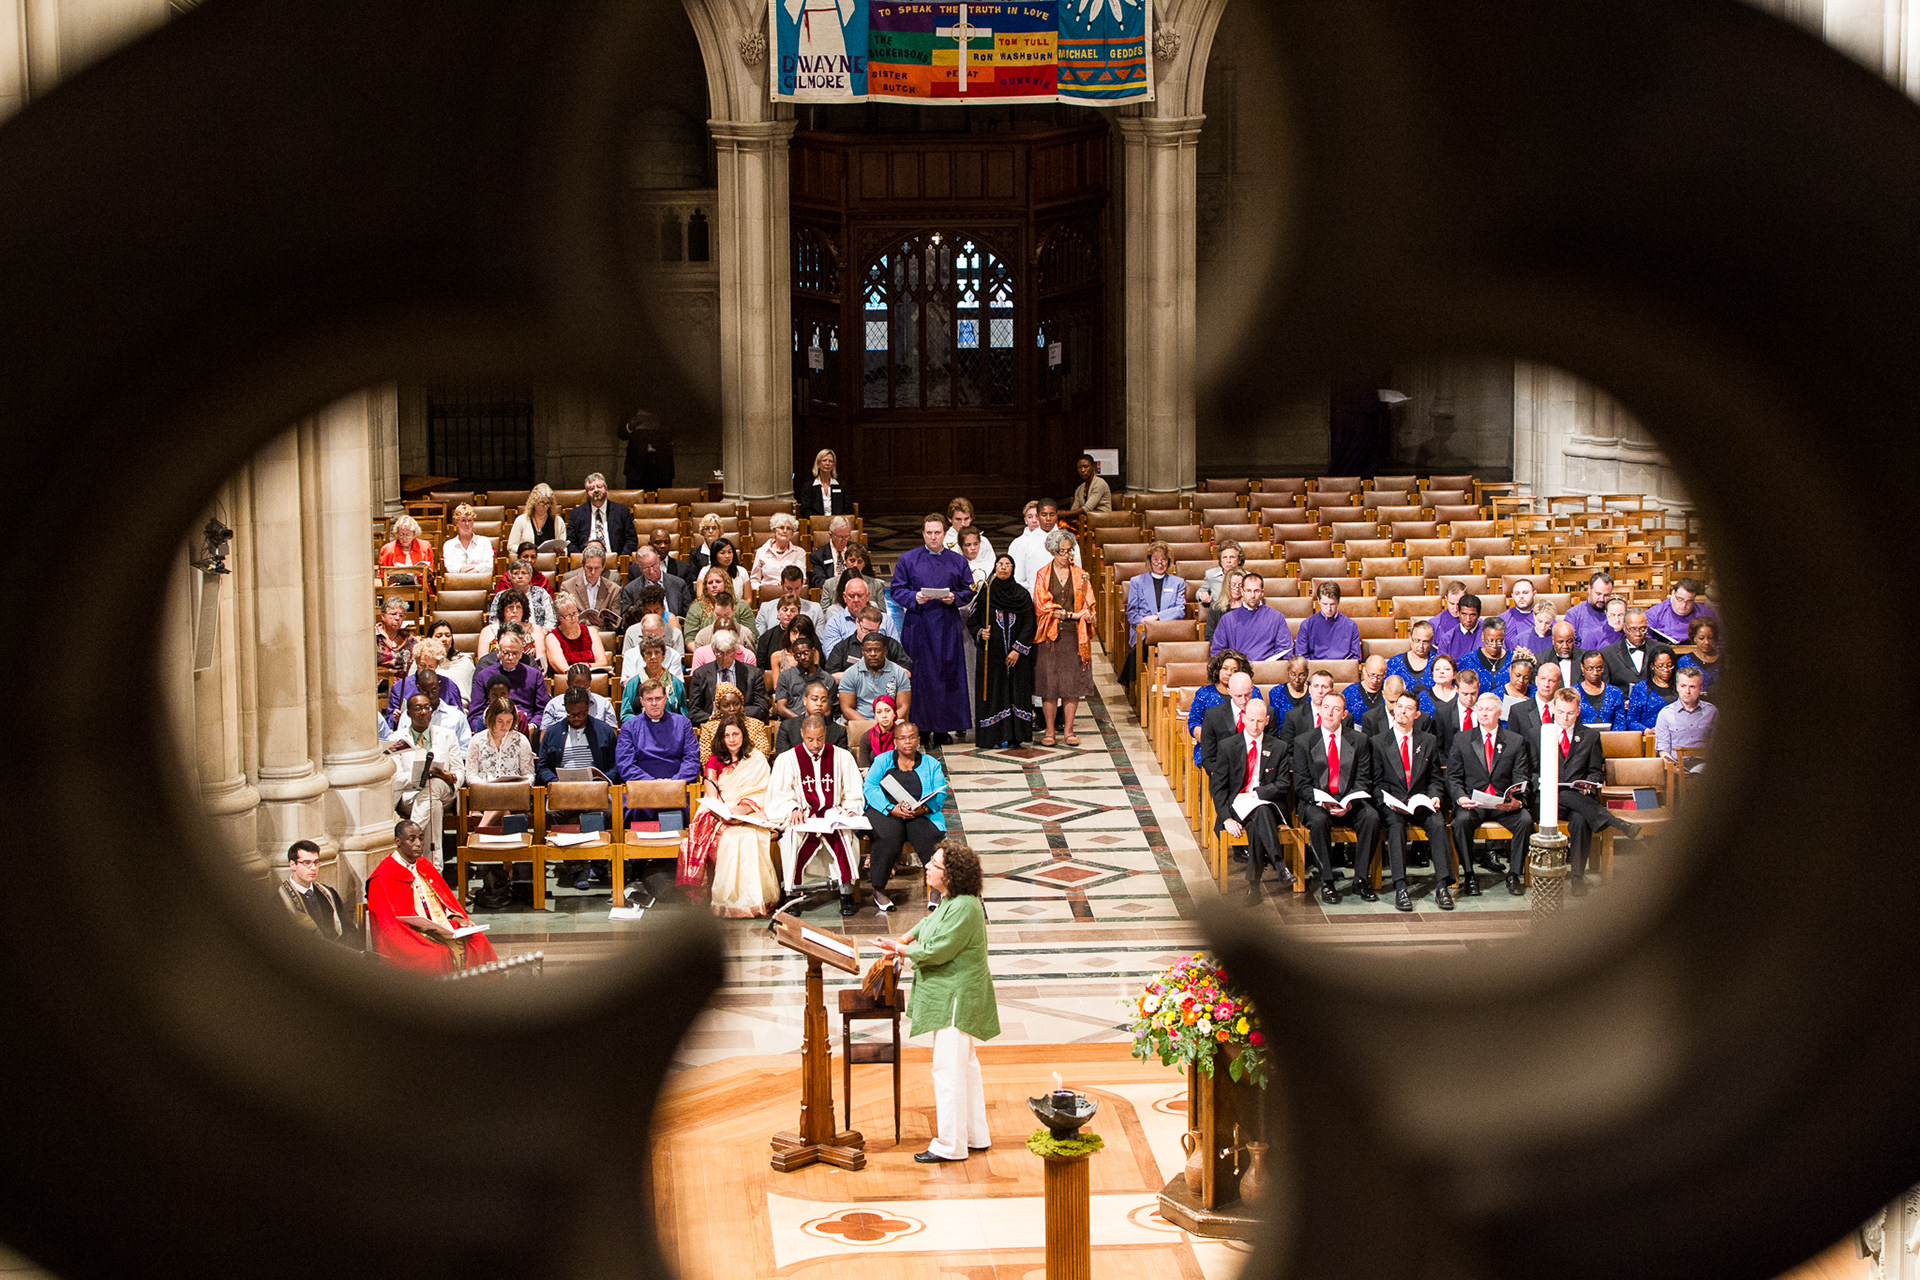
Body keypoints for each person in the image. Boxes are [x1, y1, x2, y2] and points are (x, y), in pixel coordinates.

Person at [871, 839, 997, 1163]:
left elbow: (935, 951)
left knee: (948, 1070)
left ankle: (950, 1145)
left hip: (956, 997)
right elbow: (929, 923)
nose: (927, 866)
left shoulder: (966, 907)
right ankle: (975, 1135)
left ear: (951, 874)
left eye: (935, 865)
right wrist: (904, 938)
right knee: (965, 1067)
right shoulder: (954, 901)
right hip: (957, 994)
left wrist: (899, 949)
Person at [766, 715, 868, 916]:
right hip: (803, 816)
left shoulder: (841, 757)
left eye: (820, 739)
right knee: (792, 839)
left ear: (825, 734)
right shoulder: (787, 759)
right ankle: (792, 894)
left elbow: (853, 792)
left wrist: (849, 810)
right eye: (810, 739)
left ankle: (845, 892)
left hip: (833, 813)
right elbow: (779, 795)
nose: (815, 745)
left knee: (846, 837)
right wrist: (792, 809)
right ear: (802, 734)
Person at [889, 512, 977, 741]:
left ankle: (943, 728)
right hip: (918, 626)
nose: (933, 537)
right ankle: (921, 726)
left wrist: (954, 598)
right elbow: (897, 589)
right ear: (923, 533)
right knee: (920, 677)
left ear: (945, 534)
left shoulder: (957, 561)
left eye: (937, 533)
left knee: (946, 675)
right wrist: (914, 597)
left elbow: (968, 590)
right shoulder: (908, 559)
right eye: (929, 533)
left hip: (947, 627)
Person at [368, 820, 499, 973]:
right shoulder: (384, 875)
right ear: (398, 841)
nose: (418, 843)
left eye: (421, 838)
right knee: (437, 955)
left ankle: (482, 989)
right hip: (409, 933)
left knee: (477, 939)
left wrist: (456, 918)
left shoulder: (424, 866)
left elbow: (444, 901)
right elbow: (387, 924)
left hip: (438, 926)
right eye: (412, 839)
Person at [680, 715, 779, 916]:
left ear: (744, 735)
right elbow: (711, 795)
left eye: (736, 734)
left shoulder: (756, 759)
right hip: (720, 815)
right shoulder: (714, 760)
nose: (732, 739)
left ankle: (754, 901)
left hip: (751, 812)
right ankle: (727, 902)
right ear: (721, 738)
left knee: (749, 838)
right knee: (731, 840)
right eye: (727, 735)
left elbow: (766, 790)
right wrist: (725, 814)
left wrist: (744, 809)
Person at [1546, 688, 1642, 894]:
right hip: (1547, 801)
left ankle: (1577, 877)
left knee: (1580, 819)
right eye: (1561, 712)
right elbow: (1532, 769)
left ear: (1578, 711)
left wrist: (1588, 783)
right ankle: (1614, 821)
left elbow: (1595, 772)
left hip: (1580, 801)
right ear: (1553, 708)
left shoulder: (1590, 737)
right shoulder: (1540, 734)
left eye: (1570, 713)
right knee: (1560, 792)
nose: (1565, 717)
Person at [1371, 689, 1456, 912]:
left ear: (1416, 715)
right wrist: (1388, 801)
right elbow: (1376, 782)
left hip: (1420, 801)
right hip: (1393, 804)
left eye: (1409, 709)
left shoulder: (1428, 741)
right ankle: (1400, 887)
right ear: (1394, 709)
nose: (1403, 712)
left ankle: (1442, 886)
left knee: (1438, 824)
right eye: (1400, 706)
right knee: (1396, 827)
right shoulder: (1379, 742)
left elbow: (1435, 778)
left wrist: (1435, 796)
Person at [1293, 691, 1381, 905]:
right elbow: (1302, 784)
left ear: (1344, 714)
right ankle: (1327, 881)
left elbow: (1363, 779)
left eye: (1336, 709)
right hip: (1317, 803)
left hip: (1349, 801)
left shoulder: (1359, 740)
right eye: (1326, 708)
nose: (1330, 713)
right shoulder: (1304, 741)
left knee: (1372, 818)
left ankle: (1360, 878)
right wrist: (1322, 801)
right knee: (1319, 820)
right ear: (1320, 710)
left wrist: (1349, 803)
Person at [1209, 699, 1295, 904]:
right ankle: (1279, 864)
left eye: (1259, 721)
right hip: (1237, 805)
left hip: (1267, 804)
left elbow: (1283, 783)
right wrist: (1226, 818)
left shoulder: (1279, 747)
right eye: (1250, 720)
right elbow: (1218, 787)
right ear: (1244, 719)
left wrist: (1256, 794)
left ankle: (1254, 887)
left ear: (1266, 721)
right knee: (1260, 817)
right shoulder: (1228, 746)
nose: (1254, 726)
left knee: (1260, 818)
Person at [1447, 693, 1534, 896]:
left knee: (1525, 821)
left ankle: (1514, 874)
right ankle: (1469, 875)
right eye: (1481, 709)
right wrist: (1460, 797)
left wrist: (1517, 801)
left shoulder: (1515, 741)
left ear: (1500, 713)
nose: (1483, 713)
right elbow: (1452, 777)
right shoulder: (1462, 739)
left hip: (1503, 805)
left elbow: (1521, 775)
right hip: (1473, 804)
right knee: (1460, 823)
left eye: (1489, 709)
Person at [863, 723, 950, 915]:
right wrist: (890, 808)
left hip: (919, 812)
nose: (907, 742)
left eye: (911, 737)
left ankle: (936, 889)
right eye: (902, 738)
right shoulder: (883, 760)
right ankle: (878, 890)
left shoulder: (931, 764)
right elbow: (869, 786)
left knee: (930, 837)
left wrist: (922, 809)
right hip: (885, 810)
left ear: (918, 740)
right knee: (888, 836)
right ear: (895, 741)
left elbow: (940, 792)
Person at [1031, 528, 1096, 748]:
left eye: (1069, 551)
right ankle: (1049, 731)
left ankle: (1068, 730)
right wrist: (1069, 614)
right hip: (1049, 635)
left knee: (1071, 685)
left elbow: (1089, 601)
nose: (1066, 555)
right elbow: (1041, 605)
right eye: (1061, 551)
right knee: (1050, 684)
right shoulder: (1043, 574)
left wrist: (1089, 613)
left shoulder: (1080, 573)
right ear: (1052, 551)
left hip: (1073, 635)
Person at [614, 678, 702, 835]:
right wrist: (653, 784)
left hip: (676, 787)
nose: (654, 703)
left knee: (687, 807)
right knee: (635, 809)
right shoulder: (629, 727)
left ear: (665, 698)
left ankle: (675, 855)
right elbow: (625, 765)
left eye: (658, 698)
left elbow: (692, 760)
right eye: (649, 699)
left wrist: (673, 783)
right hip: (642, 789)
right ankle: (640, 855)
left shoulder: (683, 723)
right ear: (642, 701)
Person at [969, 554, 1037, 752]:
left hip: (1017, 658)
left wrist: (1018, 649)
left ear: (1013, 568)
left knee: (1017, 691)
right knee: (993, 691)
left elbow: (1029, 623)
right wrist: (982, 632)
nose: (1003, 568)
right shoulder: (986, 593)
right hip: (993, 656)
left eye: (1008, 565)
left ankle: (1016, 735)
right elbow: (973, 622)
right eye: (1000, 564)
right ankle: (994, 734)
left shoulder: (1021, 595)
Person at [387, 690, 465, 858]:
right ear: (408, 713)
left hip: (445, 791)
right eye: (418, 708)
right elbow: (396, 777)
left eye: (427, 708)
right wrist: (420, 777)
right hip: (411, 795)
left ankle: (409, 834)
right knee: (432, 803)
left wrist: (447, 776)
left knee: (434, 786)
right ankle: (435, 868)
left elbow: (460, 771)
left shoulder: (447, 736)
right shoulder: (397, 739)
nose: (423, 712)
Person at [1122, 541, 1187, 686]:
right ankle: (1144, 687)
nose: (1160, 564)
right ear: (1149, 561)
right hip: (1144, 631)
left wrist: (1157, 617)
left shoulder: (1178, 582)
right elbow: (1132, 613)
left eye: (1163, 560)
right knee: (1144, 647)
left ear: (1169, 562)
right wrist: (1146, 621)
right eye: (1156, 560)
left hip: (1169, 631)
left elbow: (1179, 610)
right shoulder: (1137, 582)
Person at [277, 840, 355, 946]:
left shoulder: (329, 894)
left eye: (316, 862)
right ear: (293, 865)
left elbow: (349, 930)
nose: (313, 868)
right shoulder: (280, 902)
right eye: (307, 863)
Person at [686, 630, 771, 724]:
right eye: (720, 653)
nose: (725, 657)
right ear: (714, 652)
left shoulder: (753, 673)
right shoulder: (700, 674)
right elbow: (694, 711)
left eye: (728, 652)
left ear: (735, 650)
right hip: (712, 726)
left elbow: (762, 707)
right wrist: (716, 719)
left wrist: (735, 714)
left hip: (744, 724)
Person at [467, 634, 545, 735]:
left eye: (515, 653)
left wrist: (533, 725)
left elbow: (542, 709)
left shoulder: (534, 675)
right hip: (491, 726)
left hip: (525, 725)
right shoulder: (484, 675)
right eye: (506, 653)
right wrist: (484, 728)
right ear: (498, 652)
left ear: (521, 653)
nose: (510, 657)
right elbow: (475, 713)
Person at [1190, 651, 1257, 766]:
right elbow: (1194, 723)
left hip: (1247, 747)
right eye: (1225, 668)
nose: (1229, 673)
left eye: (1234, 670)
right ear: (1218, 669)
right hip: (1213, 749)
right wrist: (1210, 742)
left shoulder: (1252, 692)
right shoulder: (1204, 693)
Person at [1209, 573, 1294, 660]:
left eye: (1256, 591)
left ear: (1262, 592)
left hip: (1269, 669)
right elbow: (1218, 651)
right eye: (1249, 591)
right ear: (1242, 592)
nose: (1252, 595)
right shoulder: (1227, 619)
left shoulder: (1277, 617)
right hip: (1238, 670)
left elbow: (1285, 649)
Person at [841, 633, 913, 725]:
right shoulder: (850, 674)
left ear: (884, 650)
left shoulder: (899, 673)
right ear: (862, 651)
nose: (872, 654)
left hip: (891, 723)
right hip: (861, 724)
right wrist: (870, 727)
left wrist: (888, 724)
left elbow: (903, 706)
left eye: (877, 650)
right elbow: (847, 708)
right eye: (868, 650)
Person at [820, 576, 897, 657]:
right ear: (844, 597)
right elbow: (832, 657)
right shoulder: (834, 624)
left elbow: (896, 652)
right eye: (851, 595)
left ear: (868, 596)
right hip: (846, 669)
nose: (856, 600)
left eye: (860, 595)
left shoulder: (886, 620)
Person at [824, 602, 910, 674]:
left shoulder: (891, 644)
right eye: (865, 629)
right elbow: (831, 676)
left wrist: (882, 674)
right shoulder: (842, 647)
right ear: (857, 622)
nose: (868, 635)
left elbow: (907, 671)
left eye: (873, 631)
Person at [1600, 607, 1673, 691]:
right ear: (1624, 628)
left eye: (1642, 629)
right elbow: (1606, 689)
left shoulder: (1663, 650)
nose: (1638, 634)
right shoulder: (1608, 654)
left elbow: (1671, 683)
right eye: (1632, 629)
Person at [566, 472, 638, 557]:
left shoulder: (621, 511)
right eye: (591, 488)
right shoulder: (576, 513)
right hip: (586, 562)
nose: (596, 490)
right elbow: (570, 542)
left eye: (599, 487)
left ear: (606, 488)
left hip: (615, 560)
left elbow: (631, 540)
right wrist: (581, 560)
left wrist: (619, 560)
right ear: (587, 492)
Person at [685, 566, 758, 649]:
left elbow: (750, 635)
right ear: (706, 587)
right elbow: (690, 640)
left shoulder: (741, 606)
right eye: (710, 583)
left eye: (718, 581)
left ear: (726, 584)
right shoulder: (696, 608)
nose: (714, 585)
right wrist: (705, 654)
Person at [1654, 666, 1718, 758]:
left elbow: (1716, 749)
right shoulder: (1665, 714)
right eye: (1683, 686)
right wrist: (1675, 768)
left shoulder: (1712, 712)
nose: (1687, 691)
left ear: (1700, 688)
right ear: (1677, 687)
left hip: (1705, 768)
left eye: (1692, 687)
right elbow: (1664, 752)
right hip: (1676, 767)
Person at [556, 543, 623, 630]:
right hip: (576, 633)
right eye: (589, 568)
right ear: (582, 565)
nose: (593, 572)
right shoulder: (568, 586)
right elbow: (565, 617)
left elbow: (616, 624)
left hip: (603, 634)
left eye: (597, 568)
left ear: (603, 567)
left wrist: (603, 623)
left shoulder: (614, 589)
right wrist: (591, 623)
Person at [619, 594, 685, 679]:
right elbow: (628, 683)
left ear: (663, 632)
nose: (652, 639)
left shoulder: (673, 655)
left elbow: (674, 684)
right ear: (642, 633)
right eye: (649, 635)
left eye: (656, 635)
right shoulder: (630, 655)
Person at [773, 630, 835, 720]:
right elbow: (780, 708)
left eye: (806, 653)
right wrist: (800, 720)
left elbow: (828, 710)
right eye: (798, 655)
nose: (802, 657)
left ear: (813, 651)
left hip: (820, 723)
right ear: (794, 657)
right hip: (792, 722)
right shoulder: (785, 676)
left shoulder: (828, 679)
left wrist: (812, 720)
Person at [539, 663, 617, 733]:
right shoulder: (553, 705)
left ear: (590, 682)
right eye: (576, 688)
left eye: (585, 688)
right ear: (568, 683)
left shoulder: (604, 704)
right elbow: (545, 737)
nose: (581, 692)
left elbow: (612, 736)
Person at [775, 682, 850, 754]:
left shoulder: (839, 731)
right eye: (814, 699)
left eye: (823, 700)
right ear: (805, 701)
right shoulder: (788, 727)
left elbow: (841, 760)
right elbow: (782, 759)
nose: (819, 704)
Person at [1295, 581, 1361, 661]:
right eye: (1325, 604)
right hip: (1315, 670)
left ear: (1338, 601)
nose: (1329, 609)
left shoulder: (1351, 626)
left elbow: (1355, 658)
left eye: (1332, 604)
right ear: (1318, 601)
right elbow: (1301, 658)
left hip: (1342, 670)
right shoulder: (1307, 625)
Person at [543, 594, 608, 674]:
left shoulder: (591, 632)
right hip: (567, 681)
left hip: (593, 677)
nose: (573, 618)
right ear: (559, 617)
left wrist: (586, 666)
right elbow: (564, 670)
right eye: (568, 616)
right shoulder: (552, 638)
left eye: (574, 613)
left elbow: (603, 662)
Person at [621, 545, 692, 618]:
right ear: (639, 566)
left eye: (653, 565)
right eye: (646, 568)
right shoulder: (630, 590)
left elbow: (689, 615)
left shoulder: (679, 584)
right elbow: (625, 620)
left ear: (659, 560)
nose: (651, 571)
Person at [488, 558, 556, 631]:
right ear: (510, 577)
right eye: (516, 573)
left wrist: (541, 634)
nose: (520, 576)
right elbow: (494, 621)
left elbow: (551, 620)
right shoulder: (501, 595)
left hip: (537, 635)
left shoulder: (541, 593)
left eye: (524, 573)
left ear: (530, 576)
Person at [1646, 577, 1718, 646]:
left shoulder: (1706, 613)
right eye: (1680, 599)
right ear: (1673, 594)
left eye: (1689, 601)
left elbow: (1719, 639)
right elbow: (1647, 642)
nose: (1684, 605)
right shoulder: (1654, 613)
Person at [755, 565, 825, 634]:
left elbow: (820, 641)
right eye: (789, 588)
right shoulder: (765, 609)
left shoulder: (816, 609)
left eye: (797, 588)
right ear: (782, 584)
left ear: (802, 584)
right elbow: (760, 640)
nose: (793, 593)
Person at [1507, 659, 1562, 742]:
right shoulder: (1518, 711)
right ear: (1536, 680)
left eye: (1551, 681)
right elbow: (1513, 745)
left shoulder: (1566, 711)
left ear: (1558, 684)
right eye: (1543, 679)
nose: (1546, 684)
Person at [620, 408, 675, 492]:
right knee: (635, 500)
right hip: (636, 468)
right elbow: (621, 433)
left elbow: (676, 429)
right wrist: (630, 426)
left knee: (662, 501)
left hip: (662, 467)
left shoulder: (668, 404)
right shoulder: (630, 406)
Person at [750, 513, 808, 590]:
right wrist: (761, 591)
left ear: (792, 533)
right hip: (767, 593)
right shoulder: (761, 551)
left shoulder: (799, 553)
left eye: (788, 528)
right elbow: (754, 579)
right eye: (781, 527)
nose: (785, 531)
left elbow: (802, 579)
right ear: (774, 530)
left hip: (791, 592)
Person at [1562, 572, 1617, 652]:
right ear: (1589, 589)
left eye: (1606, 595)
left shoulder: (1616, 615)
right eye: (1598, 594)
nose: (1601, 599)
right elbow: (1569, 646)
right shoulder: (1574, 614)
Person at [1627, 650, 1681, 732]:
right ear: (1652, 666)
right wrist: (1646, 730)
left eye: (1669, 666)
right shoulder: (1641, 688)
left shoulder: (1681, 686)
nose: (1666, 670)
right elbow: (1632, 720)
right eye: (1660, 666)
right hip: (1651, 736)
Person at [1575, 650, 1628, 730]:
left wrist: (1611, 738)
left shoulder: (1615, 692)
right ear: (1582, 668)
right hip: (1582, 739)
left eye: (1599, 668)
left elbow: (1620, 723)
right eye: (1590, 668)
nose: (1595, 672)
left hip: (1611, 739)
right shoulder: (1573, 692)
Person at [377, 514, 434, 585]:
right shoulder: (387, 549)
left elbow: (431, 575)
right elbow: (382, 577)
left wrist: (429, 575)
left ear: (414, 534)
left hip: (420, 588)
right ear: (397, 534)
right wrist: (388, 580)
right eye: (401, 534)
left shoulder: (425, 547)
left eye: (408, 535)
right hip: (395, 590)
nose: (404, 538)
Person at [1460, 616, 1512, 692]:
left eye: (1499, 641)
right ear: (1483, 636)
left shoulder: (1512, 659)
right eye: (1490, 641)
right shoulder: (1469, 660)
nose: (1494, 645)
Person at [1386, 620, 1439, 692]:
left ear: (1431, 641)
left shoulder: (1438, 662)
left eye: (1425, 642)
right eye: (1417, 640)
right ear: (1410, 638)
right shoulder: (1395, 662)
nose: (1421, 646)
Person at [441, 503, 493, 575]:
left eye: (469, 520)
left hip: (480, 582)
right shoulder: (449, 545)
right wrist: (477, 566)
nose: (467, 524)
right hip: (457, 584)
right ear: (457, 523)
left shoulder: (484, 542)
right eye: (463, 520)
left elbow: (488, 567)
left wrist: (463, 571)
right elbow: (450, 568)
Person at [508, 483, 562, 552]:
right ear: (533, 502)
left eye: (548, 503)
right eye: (541, 502)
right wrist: (527, 550)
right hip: (527, 561)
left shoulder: (558, 521)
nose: (545, 506)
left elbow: (564, 547)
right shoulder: (521, 520)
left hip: (550, 561)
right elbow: (511, 546)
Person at [1677, 617, 1724, 694]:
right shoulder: (1684, 661)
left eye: (1710, 638)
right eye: (1701, 638)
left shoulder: (1724, 660)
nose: (1706, 642)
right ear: (1694, 638)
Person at [1434, 592, 1484, 663]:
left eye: (1472, 615)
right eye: (1464, 614)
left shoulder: (1488, 634)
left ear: (1479, 615)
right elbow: (1443, 666)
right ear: (1459, 613)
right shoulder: (1447, 638)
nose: (1468, 620)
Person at [809, 515, 857, 588]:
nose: (844, 541)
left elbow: (869, 577)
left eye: (847, 537)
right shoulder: (818, 555)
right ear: (831, 535)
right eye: (840, 537)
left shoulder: (858, 550)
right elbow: (819, 582)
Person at [797, 447, 846, 518]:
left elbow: (848, 509)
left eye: (830, 461)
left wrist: (837, 521)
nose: (827, 463)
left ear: (833, 466)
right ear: (818, 464)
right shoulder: (808, 486)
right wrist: (821, 520)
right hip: (817, 524)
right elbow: (805, 510)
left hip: (838, 524)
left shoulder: (842, 486)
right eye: (824, 460)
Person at [1539, 620, 1586, 693]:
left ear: (1574, 639)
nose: (1565, 646)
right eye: (1560, 642)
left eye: (1569, 641)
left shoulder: (1585, 658)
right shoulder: (1541, 660)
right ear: (1553, 640)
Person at [942, 498, 993, 564]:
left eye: (966, 519)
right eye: (958, 519)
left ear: (971, 518)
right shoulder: (943, 542)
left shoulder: (983, 541)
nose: (963, 524)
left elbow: (993, 568)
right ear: (950, 519)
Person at [1196, 542, 1244, 611]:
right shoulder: (1211, 575)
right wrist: (1202, 595)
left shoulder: (1247, 577)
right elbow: (1198, 593)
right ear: (1220, 561)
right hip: (1219, 613)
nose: (1228, 561)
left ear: (1239, 560)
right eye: (1224, 557)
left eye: (1232, 557)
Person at [1342, 654, 1389, 723]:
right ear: (1364, 670)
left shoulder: (1388, 691)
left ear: (1385, 674)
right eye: (1371, 675)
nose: (1375, 680)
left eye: (1379, 676)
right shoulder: (1350, 693)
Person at [1428, 581, 1470, 657]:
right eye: (1452, 604)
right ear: (1446, 599)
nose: (1456, 608)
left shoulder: (1474, 621)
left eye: (1459, 604)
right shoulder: (1434, 624)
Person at [375, 597, 416, 674]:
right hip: (380, 682)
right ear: (383, 616)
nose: (397, 618)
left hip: (404, 682)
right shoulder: (373, 637)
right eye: (393, 614)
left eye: (401, 615)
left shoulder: (409, 639)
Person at [1064, 453, 1113, 519]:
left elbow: (1087, 508)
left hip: (1103, 521)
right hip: (1088, 521)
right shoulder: (1080, 488)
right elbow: (1074, 509)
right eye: (1080, 468)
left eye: (1085, 467)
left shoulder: (1099, 483)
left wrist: (1063, 513)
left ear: (1093, 467)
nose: (1083, 470)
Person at [1266, 657, 1312, 723]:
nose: (1297, 680)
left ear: (1307, 674)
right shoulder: (1276, 692)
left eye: (1301, 675)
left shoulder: (1314, 690)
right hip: (1283, 732)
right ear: (1288, 672)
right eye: (1293, 675)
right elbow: (1274, 724)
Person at [1514, 597, 1559, 661]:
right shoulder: (1521, 639)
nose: (1543, 627)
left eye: (1547, 623)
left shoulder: (1557, 639)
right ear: (1534, 616)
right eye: (1540, 621)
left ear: (1552, 620)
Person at [1499, 578, 1541, 642]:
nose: (1521, 596)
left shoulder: (1545, 617)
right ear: (1512, 596)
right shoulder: (1502, 619)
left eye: (1525, 593)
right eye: (1517, 593)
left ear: (1534, 594)